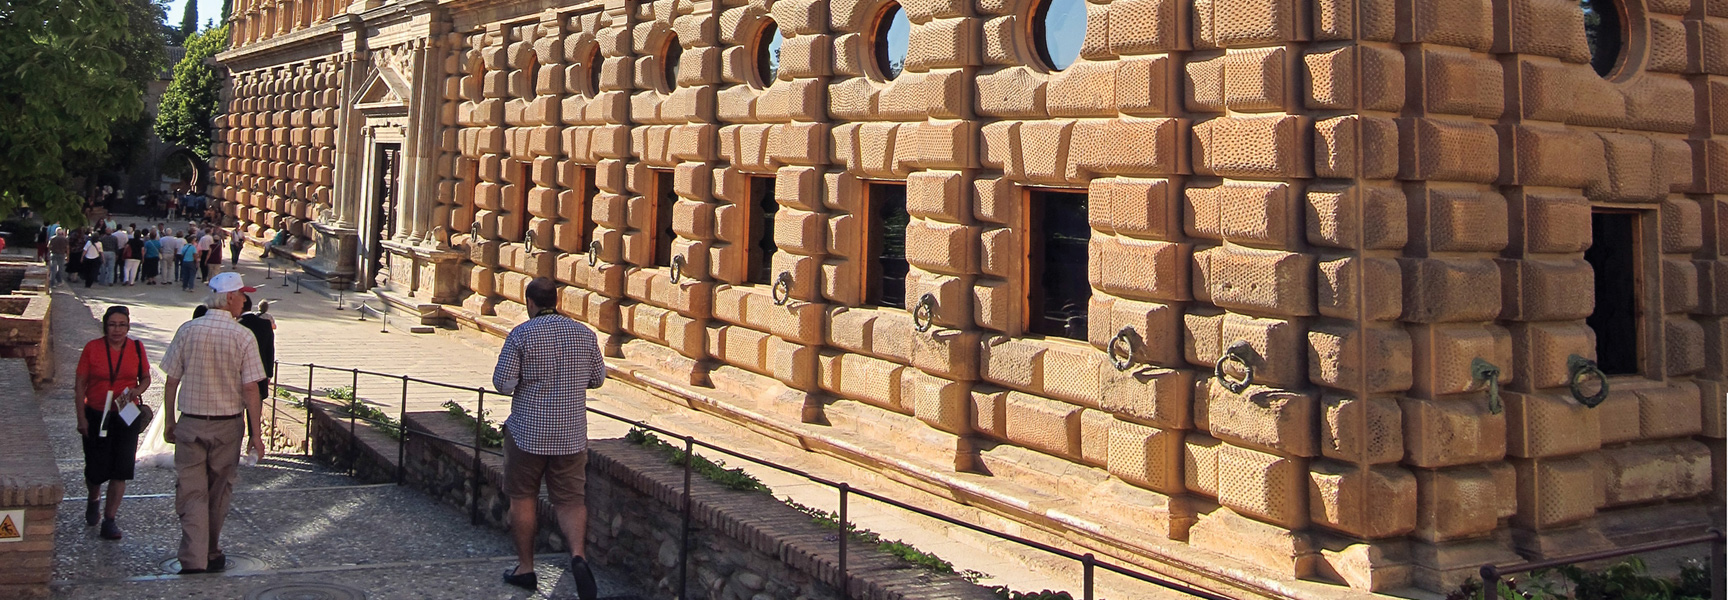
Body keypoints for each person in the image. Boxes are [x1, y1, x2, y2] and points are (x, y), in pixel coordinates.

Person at [491, 277, 603, 597]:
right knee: (570, 501)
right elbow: (597, 379)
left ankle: (526, 569)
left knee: (523, 498)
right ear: (557, 301)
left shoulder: (522, 335)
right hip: (571, 434)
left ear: (529, 302)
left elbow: (503, 383)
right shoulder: (584, 334)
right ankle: (579, 557)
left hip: (528, 433)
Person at [160, 272, 267, 575]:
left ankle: (195, 557)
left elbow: (171, 381)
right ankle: (210, 551)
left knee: (191, 491)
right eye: (242, 295)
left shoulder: (188, 330)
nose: (246, 300)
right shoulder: (243, 336)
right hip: (227, 426)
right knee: (219, 492)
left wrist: (170, 420)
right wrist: (256, 436)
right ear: (230, 297)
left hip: (191, 423)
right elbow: (250, 389)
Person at [75, 305, 151, 540]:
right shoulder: (92, 348)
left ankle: (110, 519)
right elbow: (79, 385)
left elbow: (146, 377)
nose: (117, 330)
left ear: (128, 326)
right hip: (97, 413)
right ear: (105, 326)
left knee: (121, 469)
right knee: (95, 469)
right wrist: (81, 418)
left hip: (126, 413)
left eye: (122, 325)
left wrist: (136, 390)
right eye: (112, 325)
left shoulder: (136, 348)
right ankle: (94, 497)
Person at [238, 295, 275, 401]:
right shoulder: (265, 324)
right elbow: (270, 350)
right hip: (260, 373)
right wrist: (269, 374)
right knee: (256, 406)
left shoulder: (237, 324)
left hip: (240, 374)